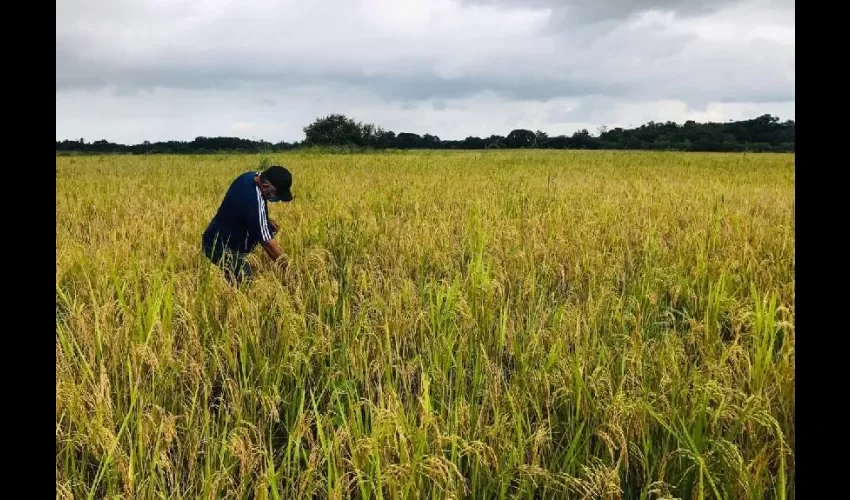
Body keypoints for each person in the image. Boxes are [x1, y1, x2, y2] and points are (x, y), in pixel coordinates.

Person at [202, 165, 293, 285]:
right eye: (276, 194)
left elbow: (242, 208)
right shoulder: (254, 200)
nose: (277, 199)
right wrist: (288, 269)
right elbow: (267, 242)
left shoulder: (249, 177)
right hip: (220, 246)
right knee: (244, 279)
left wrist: (266, 220)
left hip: (215, 236)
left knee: (233, 277)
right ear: (265, 186)